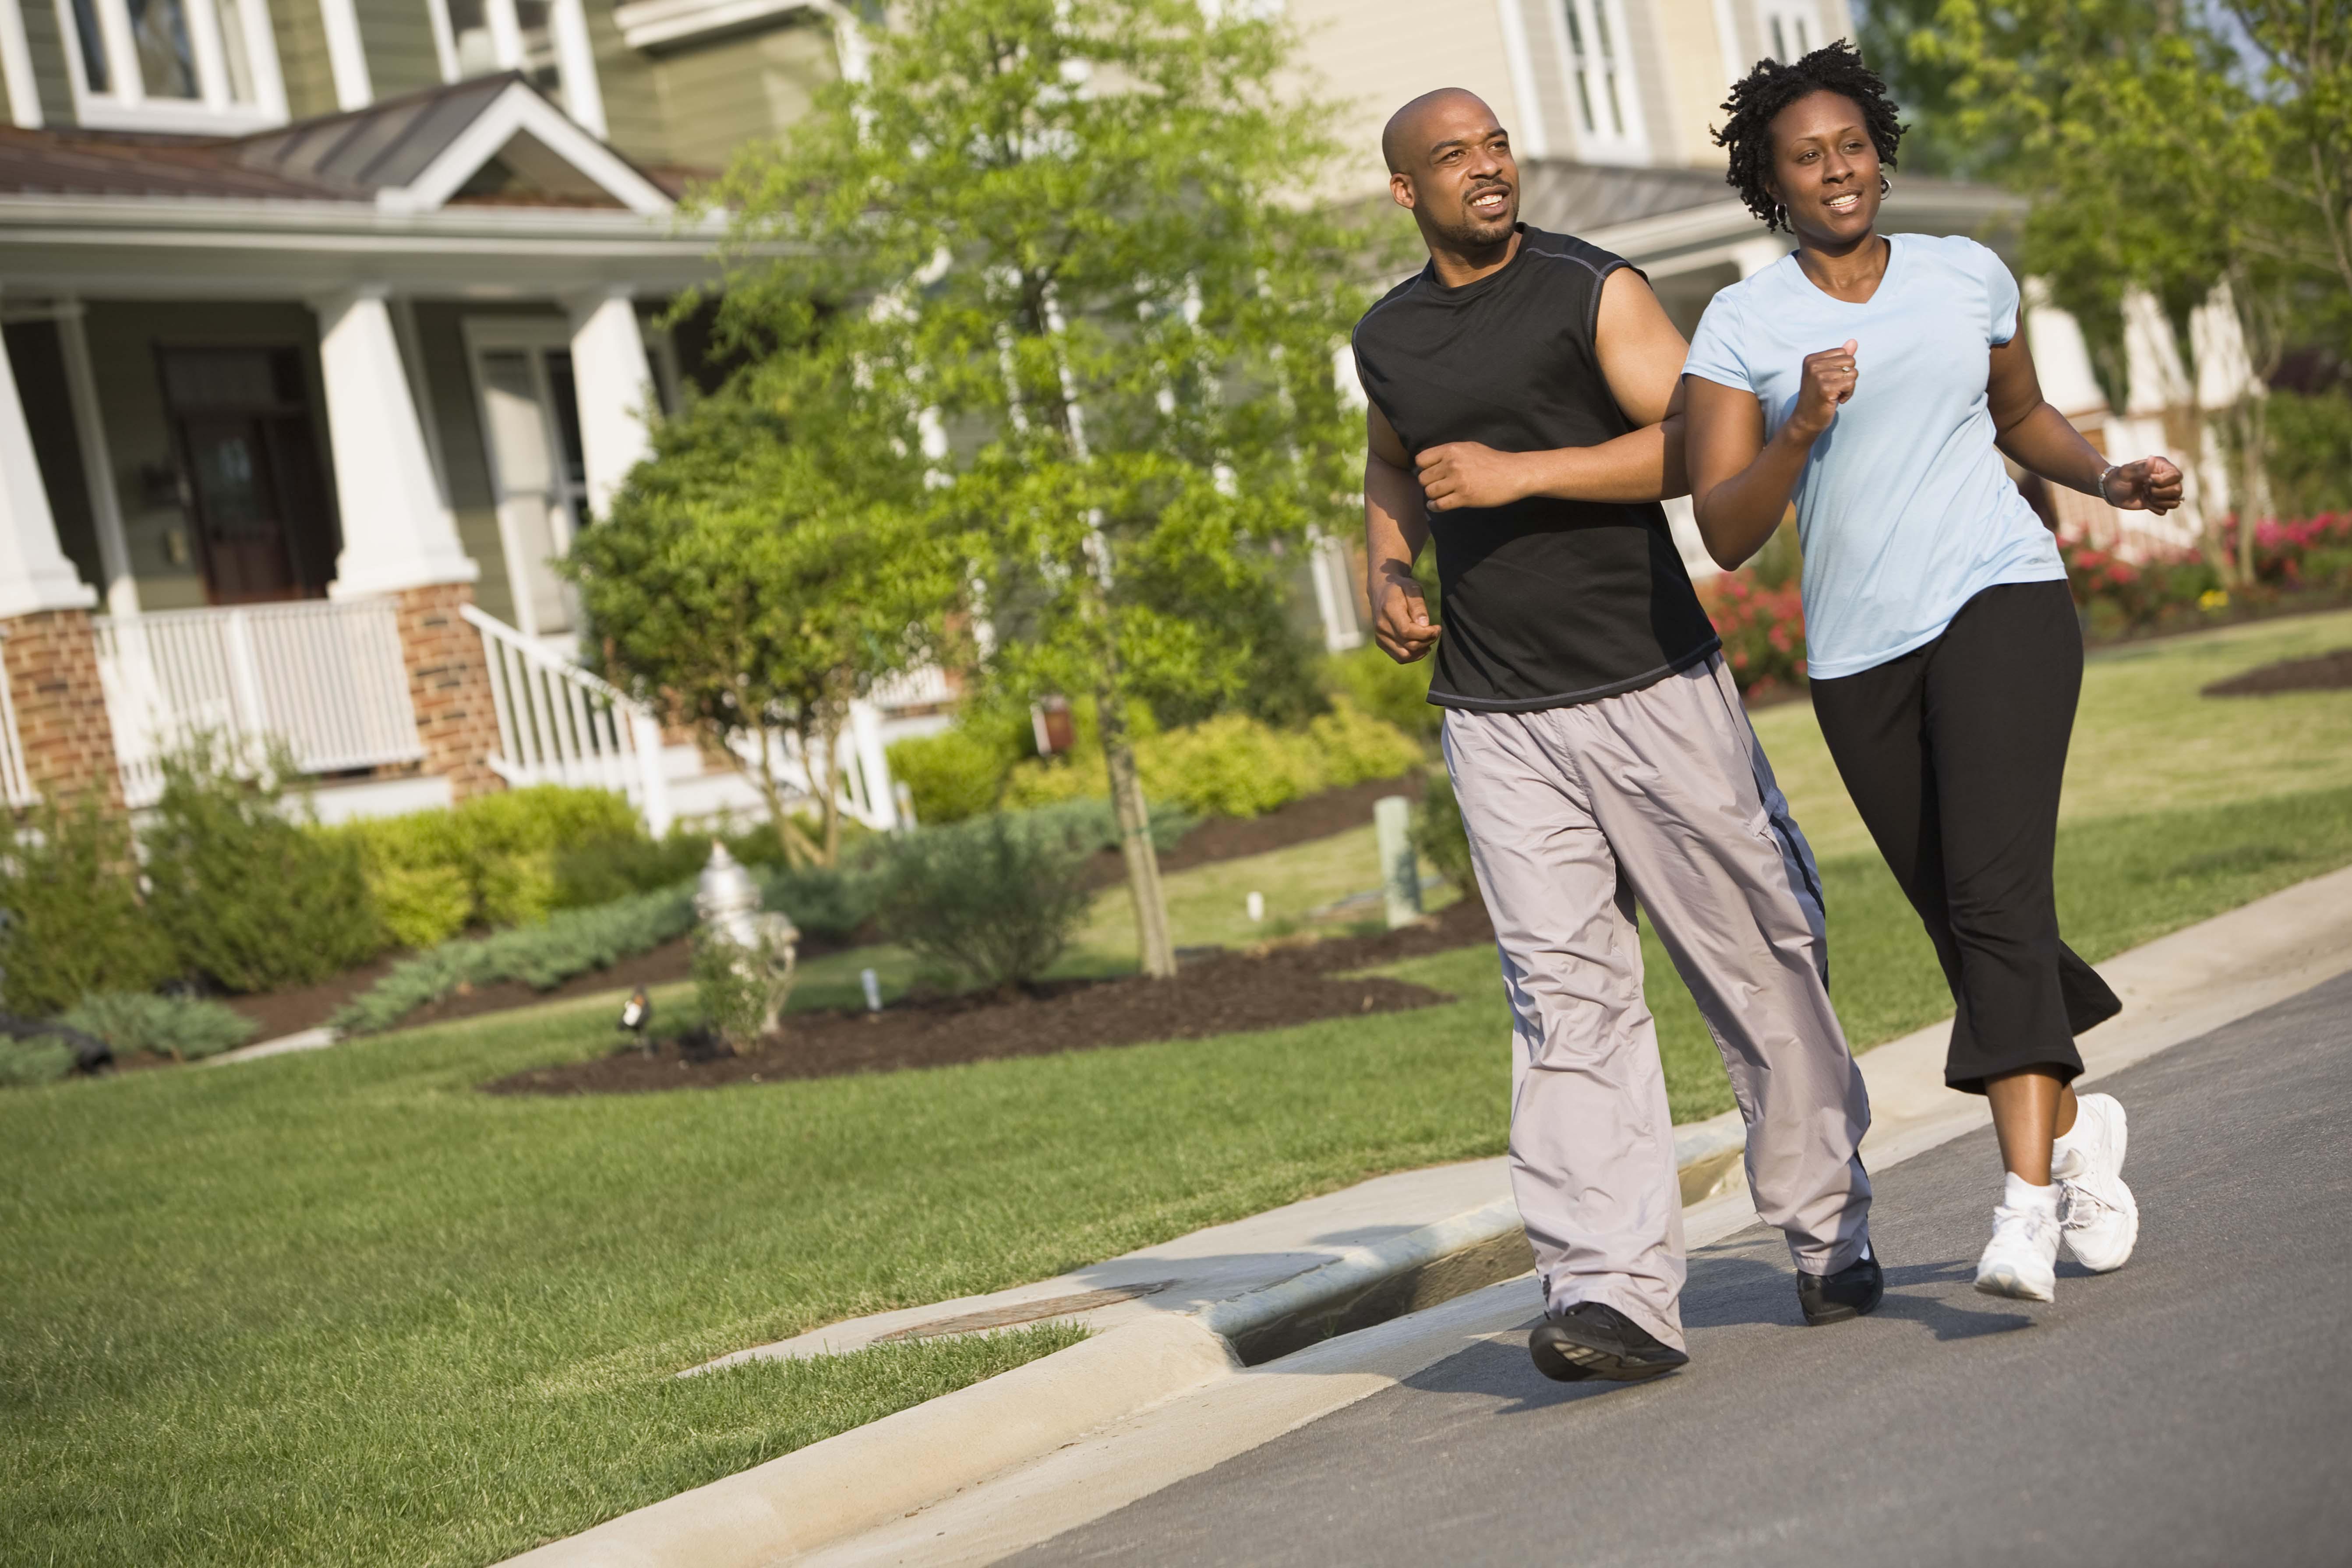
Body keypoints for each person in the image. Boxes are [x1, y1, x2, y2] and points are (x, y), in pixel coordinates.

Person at [1354, 88, 1879, 1384]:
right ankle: (1610, 1289)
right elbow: (1393, 464)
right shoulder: (1389, 335)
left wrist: (1522, 473)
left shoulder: (1592, 289)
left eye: (1495, 146)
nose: (1487, 168)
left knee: (1755, 957)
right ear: (1406, 192)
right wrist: (1387, 566)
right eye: (1453, 158)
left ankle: (1825, 1224)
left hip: (1649, 681)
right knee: (1563, 999)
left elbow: (1703, 445)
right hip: (1495, 714)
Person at [1681, 42, 2180, 1303]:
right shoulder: (1742, 324)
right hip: (1859, 653)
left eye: (1851, 145)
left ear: (1880, 153)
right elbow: (1726, 529)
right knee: (1960, 918)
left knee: (1997, 899)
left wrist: (2107, 477)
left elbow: (2019, 416)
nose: (1836, 169)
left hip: (2000, 597)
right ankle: (2078, 1130)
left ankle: (2022, 1206)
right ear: (1771, 182)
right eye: (1807, 156)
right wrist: (1800, 425)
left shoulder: (1966, 274)